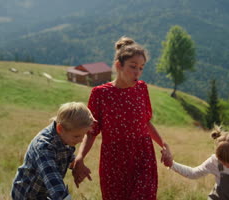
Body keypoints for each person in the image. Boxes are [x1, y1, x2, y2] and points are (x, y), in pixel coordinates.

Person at [72, 36, 172, 200]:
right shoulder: (100, 94)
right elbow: (91, 132)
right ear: (119, 65)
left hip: (143, 157)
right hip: (114, 162)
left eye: (141, 68)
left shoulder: (141, 88)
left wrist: (164, 145)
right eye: (133, 67)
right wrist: (80, 157)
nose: (137, 72)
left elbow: (145, 122)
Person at [11, 102, 95, 200]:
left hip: (44, 193)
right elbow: (53, 180)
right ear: (60, 128)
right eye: (76, 136)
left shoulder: (64, 137)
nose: (81, 140)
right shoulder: (44, 146)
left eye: (83, 135)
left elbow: (64, 155)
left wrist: (75, 164)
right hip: (27, 195)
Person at [164, 126, 229, 200]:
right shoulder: (214, 161)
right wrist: (172, 164)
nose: (227, 166)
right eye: (223, 162)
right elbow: (193, 173)